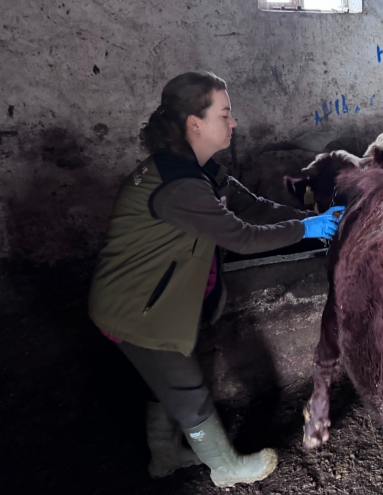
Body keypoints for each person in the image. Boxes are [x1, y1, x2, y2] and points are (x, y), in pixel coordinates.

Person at [88, 71, 344, 487]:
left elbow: (254, 208)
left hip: (153, 300)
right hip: (139, 309)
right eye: (225, 114)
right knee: (189, 393)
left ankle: (165, 456)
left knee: (166, 384)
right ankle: (226, 469)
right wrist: (307, 231)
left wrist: (311, 220)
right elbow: (241, 237)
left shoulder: (203, 171)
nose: (234, 123)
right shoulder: (179, 186)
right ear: (195, 123)